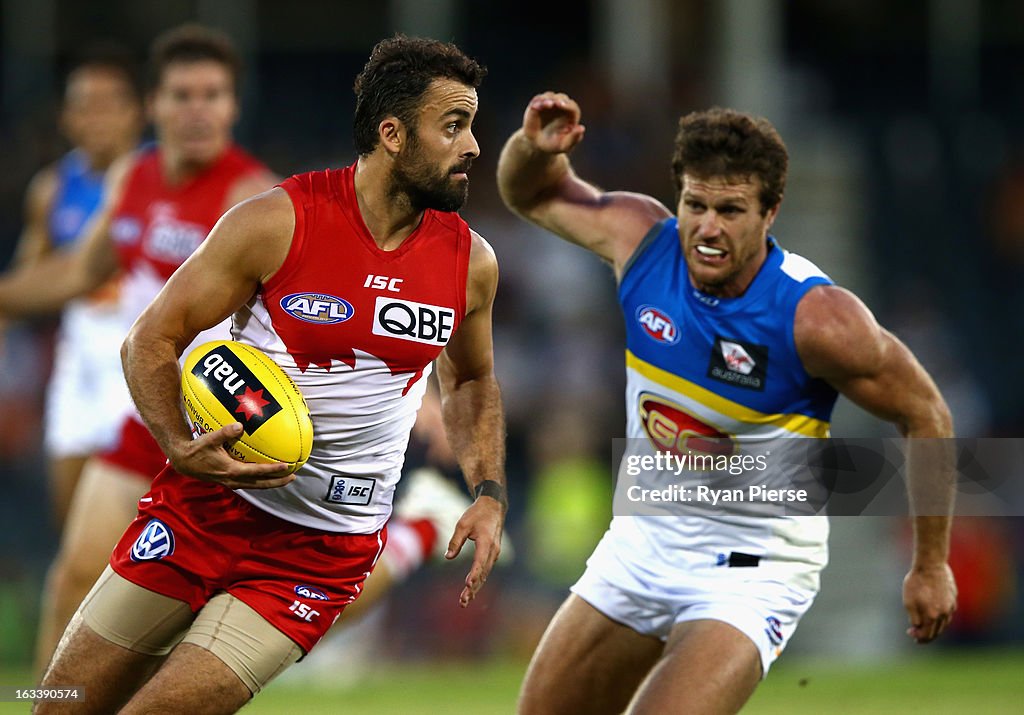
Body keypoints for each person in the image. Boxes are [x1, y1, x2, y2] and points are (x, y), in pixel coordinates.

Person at [36, 34, 505, 714]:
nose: (472, 148)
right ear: (393, 134)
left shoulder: (471, 263)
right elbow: (151, 338)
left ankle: (410, 536)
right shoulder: (277, 221)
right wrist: (175, 441)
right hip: (201, 510)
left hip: (320, 552)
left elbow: (470, 381)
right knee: (58, 701)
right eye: (454, 126)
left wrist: (488, 489)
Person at [497, 93, 957, 714]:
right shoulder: (640, 241)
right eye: (696, 205)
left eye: (731, 210)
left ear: (771, 212)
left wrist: (930, 564)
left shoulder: (818, 319)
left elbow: (925, 412)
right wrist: (533, 150)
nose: (708, 228)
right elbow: (530, 194)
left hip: (752, 567)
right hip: (641, 545)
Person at [11, 47, 143, 531]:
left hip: (142, 348)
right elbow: (29, 278)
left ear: (138, 111)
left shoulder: (159, 178)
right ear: (67, 117)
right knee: (70, 524)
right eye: (85, 104)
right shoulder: (52, 188)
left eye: (111, 102)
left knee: (131, 527)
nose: (98, 116)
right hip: (80, 358)